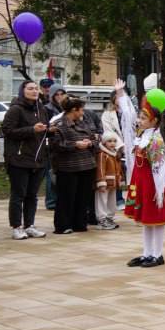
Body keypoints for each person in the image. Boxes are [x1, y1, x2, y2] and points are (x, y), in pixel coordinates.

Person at [115, 80, 165, 267]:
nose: (139, 120)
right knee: (146, 220)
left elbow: (159, 167)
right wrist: (121, 94)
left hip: (153, 185)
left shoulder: (154, 139)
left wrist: (159, 191)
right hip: (141, 182)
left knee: (155, 219)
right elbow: (128, 116)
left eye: (143, 118)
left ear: (154, 121)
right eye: (140, 117)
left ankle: (157, 254)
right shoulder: (142, 136)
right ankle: (147, 252)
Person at [2, 80, 50, 240]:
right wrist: (31, 129)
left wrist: (50, 130)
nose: (34, 91)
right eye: (30, 89)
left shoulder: (41, 108)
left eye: (36, 88)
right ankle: (16, 227)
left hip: (37, 159)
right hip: (19, 158)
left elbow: (44, 129)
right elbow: (7, 131)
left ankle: (30, 225)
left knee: (32, 195)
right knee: (18, 194)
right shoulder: (15, 109)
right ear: (22, 91)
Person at [50, 96, 98, 235]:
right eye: (81, 109)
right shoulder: (58, 125)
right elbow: (55, 145)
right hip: (68, 167)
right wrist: (75, 145)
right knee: (66, 197)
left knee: (83, 197)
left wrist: (90, 143)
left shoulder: (84, 123)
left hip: (87, 165)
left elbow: (95, 138)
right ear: (74, 110)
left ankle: (79, 223)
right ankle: (63, 225)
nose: (83, 112)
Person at [94, 129, 124, 230]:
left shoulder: (115, 154)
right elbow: (100, 169)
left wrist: (119, 177)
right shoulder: (102, 154)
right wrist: (101, 182)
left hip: (113, 182)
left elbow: (119, 169)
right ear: (104, 142)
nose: (112, 143)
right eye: (109, 141)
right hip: (104, 183)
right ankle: (102, 218)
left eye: (114, 141)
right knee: (102, 200)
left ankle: (109, 217)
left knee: (112, 200)